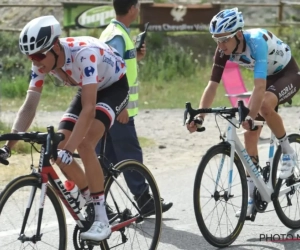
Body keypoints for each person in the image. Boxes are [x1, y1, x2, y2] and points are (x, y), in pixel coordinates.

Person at [0, 15, 130, 242]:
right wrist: (8, 146)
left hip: (114, 87)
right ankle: (88, 196)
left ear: (56, 47)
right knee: (57, 145)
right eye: (31, 57)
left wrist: (70, 150)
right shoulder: (41, 63)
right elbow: (29, 106)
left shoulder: (83, 54)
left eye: (40, 55)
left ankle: (102, 219)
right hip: (89, 86)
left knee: (85, 143)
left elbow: (89, 109)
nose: (36, 61)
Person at [186, 7, 300, 217]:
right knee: (249, 134)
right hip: (266, 81)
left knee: (264, 105)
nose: (220, 45)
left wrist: (249, 116)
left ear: (238, 34)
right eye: (216, 40)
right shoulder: (223, 49)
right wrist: (200, 116)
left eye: (224, 40)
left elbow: (259, 88)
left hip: (287, 74)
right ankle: (253, 194)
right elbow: (212, 85)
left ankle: (288, 151)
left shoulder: (256, 42)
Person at [95, 0, 173, 215]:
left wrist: (135, 56)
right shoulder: (117, 35)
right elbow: (109, 72)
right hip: (118, 109)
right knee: (130, 155)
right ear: (131, 9)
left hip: (112, 107)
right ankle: (144, 201)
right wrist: (120, 107)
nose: (138, 10)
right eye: (137, 6)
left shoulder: (117, 32)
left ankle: (93, 202)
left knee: (106, 159)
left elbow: (120, 66)